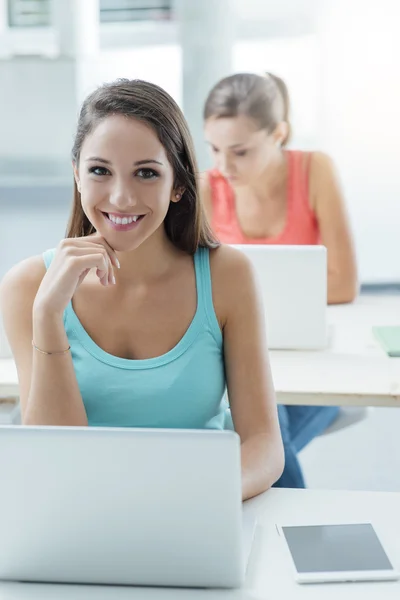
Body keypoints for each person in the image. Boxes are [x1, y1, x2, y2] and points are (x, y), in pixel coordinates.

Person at [0, 79, 284, 501]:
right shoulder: (27, 287)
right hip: (80, 512)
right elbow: (56, 458)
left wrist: (205, 498)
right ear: (76, 175)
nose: (121, 196)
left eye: (146, 173)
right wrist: (48, 315)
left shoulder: (228, 276)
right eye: (100, 170)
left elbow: (262, 442)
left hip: (199, 504)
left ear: (179, 185)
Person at [201, 72, 358, 488]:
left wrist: (242, 304)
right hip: (239, 359)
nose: (223, 166)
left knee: (258, 435)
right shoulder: (205, 188)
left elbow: (344, 282)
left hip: (311, 361)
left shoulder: (315, 170)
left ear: (279, 134)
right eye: (213, 149)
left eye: (240, 151)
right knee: (266, 430)